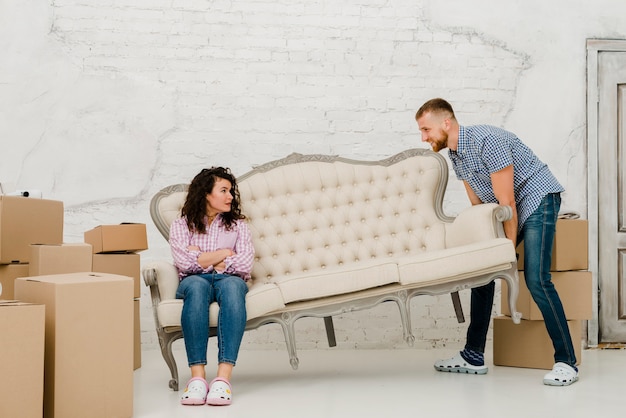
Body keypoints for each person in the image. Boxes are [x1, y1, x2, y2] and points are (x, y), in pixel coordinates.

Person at [415, 98, 579, 386]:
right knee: (483, 271)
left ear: (446, 123)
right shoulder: (455, 154)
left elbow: (507, 203)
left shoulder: (487, 141)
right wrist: (487, 250)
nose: (424, 137)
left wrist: (506, 250)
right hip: (510, 208)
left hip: (538, 200)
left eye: (426, 130)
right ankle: (473, 355)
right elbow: (481, 207)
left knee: (536, 279)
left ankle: (567, 362)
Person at [169, 167, 255, 405]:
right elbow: (184, 264)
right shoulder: (181, 225)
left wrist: (202, 257)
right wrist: (223, 254)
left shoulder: (237, 225)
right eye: (223, 190)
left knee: (234, 287)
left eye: (231, 191)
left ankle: (222, 381)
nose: (230, 197)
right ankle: (197, 380)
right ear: (206, 193)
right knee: (195, 286)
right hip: (194, 281)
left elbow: (245, 264)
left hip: (229, 279)